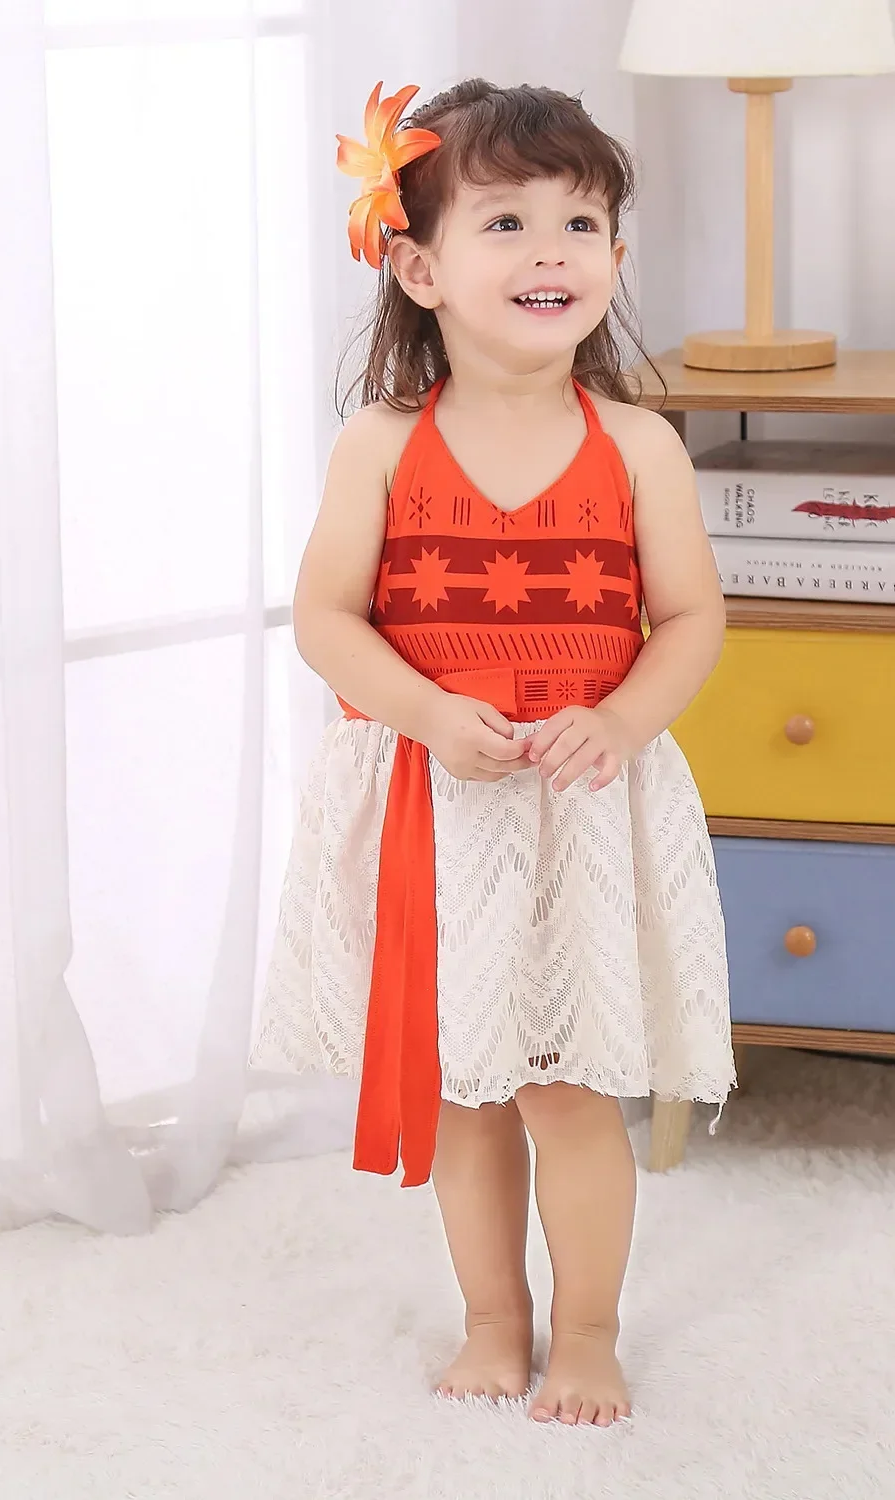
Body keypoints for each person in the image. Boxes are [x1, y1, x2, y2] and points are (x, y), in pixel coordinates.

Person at [253, 77, 734, 1428]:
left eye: (580, 223)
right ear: (418, 268)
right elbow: (326, 618)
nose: (549, 252)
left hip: (578, 804)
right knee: (469, 1094)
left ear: (616, 257)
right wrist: (423, 712)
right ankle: (492, 1322)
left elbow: (692, 618)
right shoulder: (382, 447)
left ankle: (588, 1333)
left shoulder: (637, 446)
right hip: (442, 806)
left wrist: (620, 720)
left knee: (568, 1089)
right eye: (506, 222)